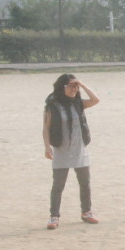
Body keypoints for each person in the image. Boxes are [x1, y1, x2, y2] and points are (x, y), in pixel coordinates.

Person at [42, 73, 101, 230]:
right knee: (58, 184)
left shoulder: (78, 103)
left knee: (85, 183)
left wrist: (82, 84)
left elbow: (96, 99)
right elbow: (46, 127)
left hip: (79, 148)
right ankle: (54, 216)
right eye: (71, 86)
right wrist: (47, 147)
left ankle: (86, 212)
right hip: (61, 149)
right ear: (62, 87)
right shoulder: (52, 104)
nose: (74, 89)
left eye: (76, 87)